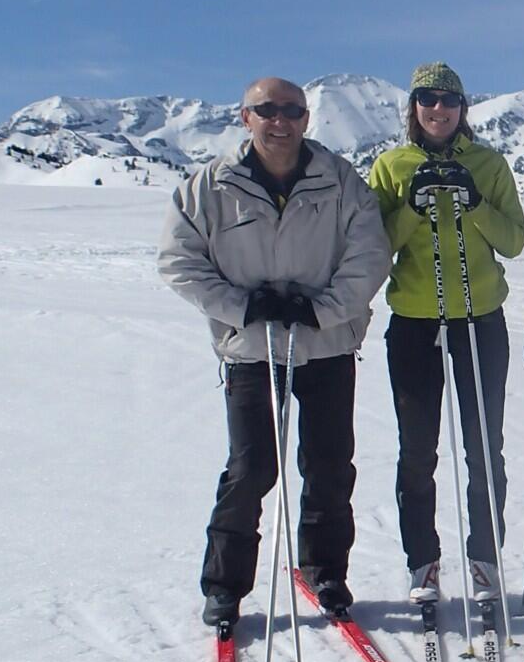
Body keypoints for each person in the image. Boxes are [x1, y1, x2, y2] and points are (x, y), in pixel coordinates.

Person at [157, 76, 389, 624]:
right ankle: (225, 586)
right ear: (246, 117)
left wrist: (320, 310)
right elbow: (179, 261)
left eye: (291, 110)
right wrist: (241, 306)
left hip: (326, 345)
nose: (279, 121)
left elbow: (369, 255)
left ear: (307, 118)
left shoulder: (340, 181)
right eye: (267, 110)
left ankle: (325, 570)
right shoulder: (210, 186)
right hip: (251, 349)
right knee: (251, 467)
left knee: (329, 465)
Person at [366, 63, 524, 605]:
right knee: (417, 449)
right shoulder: (391, 166)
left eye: (450, 100)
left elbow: (514, 242)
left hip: (479, 320)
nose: (439, 109)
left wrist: (474, 203)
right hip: (415, 322)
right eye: (428, 99)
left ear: (463, 108)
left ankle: (485, 557)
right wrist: (412, 209)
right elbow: (374, 245)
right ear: (414, 107)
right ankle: (423, 561)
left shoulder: (488, 163)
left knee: (484, 446)